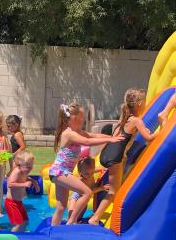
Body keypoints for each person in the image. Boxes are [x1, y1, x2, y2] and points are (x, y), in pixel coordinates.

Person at [89, 89, 159, 225]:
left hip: (107, 153)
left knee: (115, 186)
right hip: (115, 156)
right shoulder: (136, 121)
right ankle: (95, 218)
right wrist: (164, 126)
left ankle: (98, 213)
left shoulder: (123, 119)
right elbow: (148, 138)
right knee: (114, 191)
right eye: (143, 102)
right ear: (139, 104)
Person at [49, 102, 123, 226]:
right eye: (82, 117)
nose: (83, 120)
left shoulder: (76, 132)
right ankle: (71, 222)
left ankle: (53, 232)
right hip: (60, 171)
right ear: (74, 118)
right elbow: (87, 141)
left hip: (61, 172)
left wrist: (112, 136)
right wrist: (110, 140)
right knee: (87, 192)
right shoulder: (69, 133)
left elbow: (94, 135)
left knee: (61, 207)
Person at [5, 150, 39, 232]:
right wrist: (24, 184)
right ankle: (11, 239)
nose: (29, 169)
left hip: (18, 202)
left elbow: (24, 178)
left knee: (25, 221)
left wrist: (34, 182)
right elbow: (10, 184)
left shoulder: (23, 171)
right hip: (11, 203)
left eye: (31, 166)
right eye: (27, 167)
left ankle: (21, 237)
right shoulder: (16, 171)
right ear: (18, 165)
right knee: (19, 223)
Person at [67, 157, 102, 222]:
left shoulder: (90, 173)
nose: (90, 175)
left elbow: (94, 170)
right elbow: (91, 191)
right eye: (86, 173)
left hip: (84, 199)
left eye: (92, 172)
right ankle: (69, 224)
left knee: (79, 215)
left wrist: (103, 169)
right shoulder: (82, 180)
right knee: (71, 216)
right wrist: (101, 188)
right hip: (75, 198)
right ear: (80, 172)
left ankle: (78, 221)